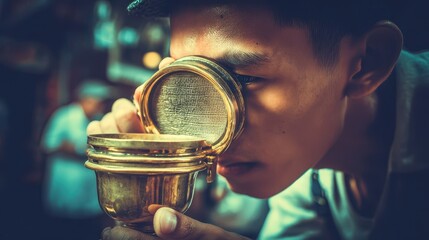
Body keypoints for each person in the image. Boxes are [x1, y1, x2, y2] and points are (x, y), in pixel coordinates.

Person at [87, 1, 429, 239]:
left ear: (367, 63)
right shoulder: (305, 173)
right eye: (188, 79)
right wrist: (144, 208)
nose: (209, 133)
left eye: (246, 79)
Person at [41, 80, 113, 240]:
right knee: (63, 230)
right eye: (98, 102)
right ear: (85, 99)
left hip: (88, 192)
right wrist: (74, 149)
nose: (100, 106)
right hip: (67, 186)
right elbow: (48, 144)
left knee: (86, 230)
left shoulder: (99, 119)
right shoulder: (64, 116)